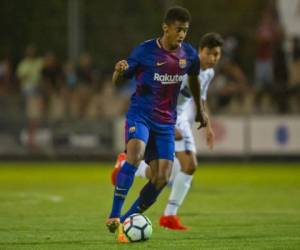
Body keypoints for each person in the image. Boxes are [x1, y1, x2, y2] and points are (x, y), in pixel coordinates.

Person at [106, 6, 207, 243]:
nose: (182, 34)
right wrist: (118, 71)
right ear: (166, 27)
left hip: (165, 122)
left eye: (185, 30)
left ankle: (126, 220)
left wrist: (200, 111)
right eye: (178, 29)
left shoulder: (189, 55)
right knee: (136, 153)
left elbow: (193, 80)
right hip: (140, 115)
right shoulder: (145, 51)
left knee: (162, 177)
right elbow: (118, 79)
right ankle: (113, 215)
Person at [112, 32, 223, 230]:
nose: (214, 58)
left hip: (181, 119)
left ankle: (168, 214)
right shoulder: (184, 63)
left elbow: (201, 98)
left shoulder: (208, 73)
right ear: (201, 51)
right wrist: (170, 125)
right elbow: (164, 92)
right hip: (168, 117)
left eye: (217, 55)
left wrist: (207, 124)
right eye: (211, 53)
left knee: (183, 168)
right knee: (178, 168)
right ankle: (164, 211)